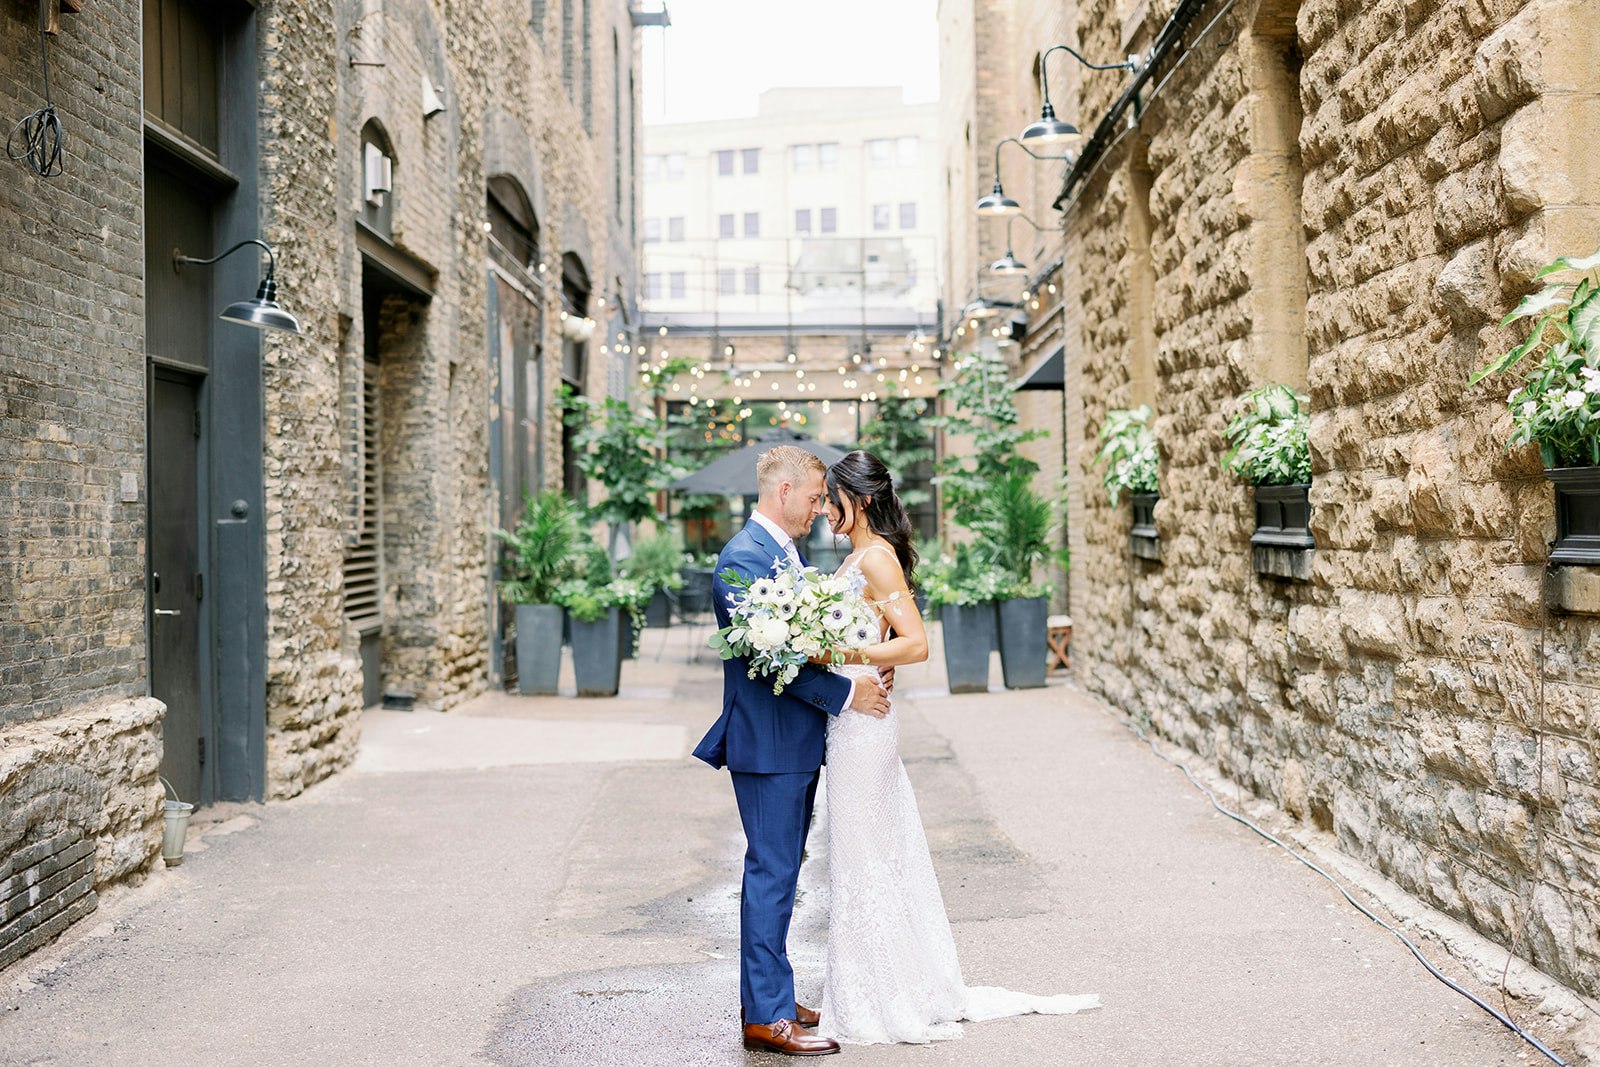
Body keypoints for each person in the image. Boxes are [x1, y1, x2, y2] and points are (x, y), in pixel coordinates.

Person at [815, 449, 1100, 1044]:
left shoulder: (878, 558)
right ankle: (875, 983)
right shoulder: (854, 558)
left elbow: (916, 643)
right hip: (849, 722)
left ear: (860, 499)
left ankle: (884, 994)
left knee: (867, 857)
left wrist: (842, 655)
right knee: (860, 858)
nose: (823, 509)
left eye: (831, 498)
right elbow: (875, 632)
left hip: (866, 730)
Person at [692, 445, 892, 1057]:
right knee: (772, 873)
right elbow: (766, 659)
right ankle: (766, 1017)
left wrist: (857, 665)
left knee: (784, 873)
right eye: (812, 498)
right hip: (769, 744)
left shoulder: (784, 556)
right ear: (784, 493)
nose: (818, 508)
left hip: (795, 743)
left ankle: (771, 996)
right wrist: (847, 694)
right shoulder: (741, 559)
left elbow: (809, 638)